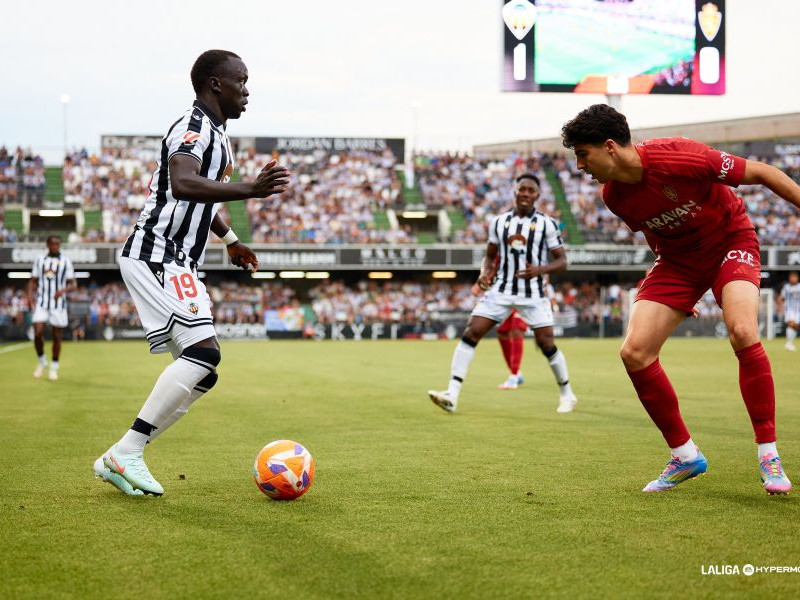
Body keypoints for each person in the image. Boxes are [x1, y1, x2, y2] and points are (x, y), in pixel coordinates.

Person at [561, 103, 800, 494]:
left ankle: (768, 454)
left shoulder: (679, 155)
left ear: (608, 147)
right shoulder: (613, 197)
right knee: (635, 352)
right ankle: (685, 455)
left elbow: (764, 172)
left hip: (729, 240)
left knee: (742, 330)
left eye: (582, 155)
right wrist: (674, 282)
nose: (580, 166)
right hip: (677, 261)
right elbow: (656, 232)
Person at [93, 49, 290, 496]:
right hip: (157, 252)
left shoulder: (217, 134)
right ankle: (126, 454)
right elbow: (183, 182)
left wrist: (230, 239)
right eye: (242, 80)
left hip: (180, 259)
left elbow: (202, 199)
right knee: (204, 353)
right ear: (216, 84)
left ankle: (125, 453)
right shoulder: (193, 127)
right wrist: (250, 191)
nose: (247, 90)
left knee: (205, 370)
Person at [428, 174, 578, 413]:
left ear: (537, 196)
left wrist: (539, 269)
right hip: (502, 289)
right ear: (515, 192)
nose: (526, 194)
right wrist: (485, 273)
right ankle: (452, 394)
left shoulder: (546, 224)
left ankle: (567, 393)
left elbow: (562, 262)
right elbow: (489, 255)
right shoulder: (499, 222)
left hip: (533, 293)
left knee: (546, 342)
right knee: (472, 331)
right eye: (522, 189)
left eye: (531, 190)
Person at [28, 235, 76, 380]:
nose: (55, 246)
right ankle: (42, 362)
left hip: (58, 305)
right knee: (37, 333)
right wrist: (29, 297)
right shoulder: (40, 260)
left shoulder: (65, 261)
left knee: (56, 337)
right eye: (53, 244)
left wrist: (62, 291)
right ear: (48, 244)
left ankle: (54, 367)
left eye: (58, 244)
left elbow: (73, 284)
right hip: (42, 302)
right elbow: (33, 281)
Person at [496, 309, 527, 390]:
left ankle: (513, 378)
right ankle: (517, 374)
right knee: (502, 333)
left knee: (517, 331)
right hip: (507, 301)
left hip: (523, 300)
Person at [779, 271, 800, 351]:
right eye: (791, 277)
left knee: (795, 326)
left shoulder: (799, 287)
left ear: (797, 278)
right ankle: (788, 343)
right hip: (789, 309)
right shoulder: (786, 287)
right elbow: (782, 298)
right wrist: (780, 308)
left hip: (797, 310)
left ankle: (790, 343)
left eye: (794, 277)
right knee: (791, 324)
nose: (793, 279)